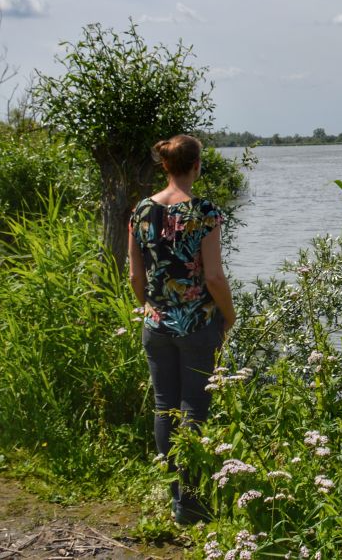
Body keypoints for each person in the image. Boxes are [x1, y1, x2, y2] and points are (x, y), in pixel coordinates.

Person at [127, 134, 236, 524]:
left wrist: (149, 307)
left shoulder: (141, 210)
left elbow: (135, 275)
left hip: (155, 323)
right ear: (196, 166)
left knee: (164, 405)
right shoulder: (204, 211)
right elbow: (214, 277)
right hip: (197, 325)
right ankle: (192, 503)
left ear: (166, 165)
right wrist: (230, 316)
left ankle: (177, 496)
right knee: (194, 406)